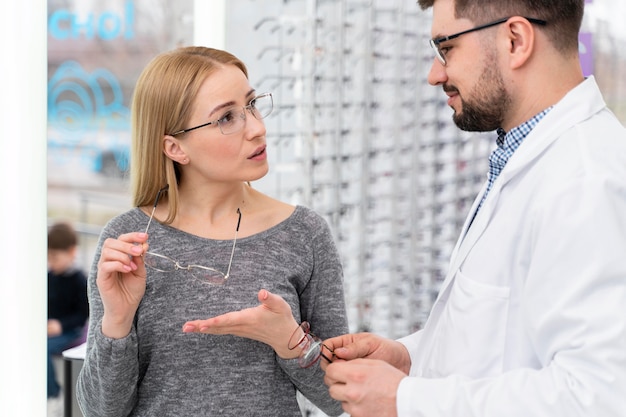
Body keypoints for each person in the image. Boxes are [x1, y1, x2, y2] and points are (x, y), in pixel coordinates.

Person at [320, 0, 626, 416]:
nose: (434, 75)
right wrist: (411, 357)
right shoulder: (528, 158)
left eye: (446, 48)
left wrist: (406, 400)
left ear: (515, 40)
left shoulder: (587, 183)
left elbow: (599, 397)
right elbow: (504, 335)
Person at [75, 46, 349, 417]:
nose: (258, 128)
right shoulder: (127, 241)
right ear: (175, 147)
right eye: (226, 118)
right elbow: (101, 411)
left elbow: (342, 396)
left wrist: (291, 342)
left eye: (252, 105)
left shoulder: (304, 234)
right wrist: (117, 322)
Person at [47, 222, 89, 400]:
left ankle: (52, 395)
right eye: (48, 256)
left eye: (55, 256)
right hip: (50, 329)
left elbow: (82, 316)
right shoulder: (49, 277)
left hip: (71, 331)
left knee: (42, 348)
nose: (51, 261)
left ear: (71, 252)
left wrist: (60, 325)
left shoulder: (79, 280)